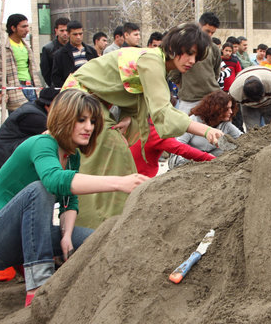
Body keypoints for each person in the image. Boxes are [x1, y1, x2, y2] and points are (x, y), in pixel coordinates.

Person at [0, 90, 149, 307]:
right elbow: (55, 180)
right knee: (38, 189)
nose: (89, 127)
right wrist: (119, 183)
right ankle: (38, 289)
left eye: (92, 121)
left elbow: (69, 201)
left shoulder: (71, 156)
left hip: (24, 240)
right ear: (63, 117)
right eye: (81, 120)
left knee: (90, 238)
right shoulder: (42, 144)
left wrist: (67, 235)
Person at [62, 22, 224, 228]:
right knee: (108, 152)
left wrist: (129, 116)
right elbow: (163, 111)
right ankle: (92, 227)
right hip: (78, 100)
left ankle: (111, 220)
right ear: (174, 48)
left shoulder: (156, 62)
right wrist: (204, 129)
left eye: (196, 57)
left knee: (118, 156)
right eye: (189, 54)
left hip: (94, 104)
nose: (192, 61)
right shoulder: (152, 60)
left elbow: (132, 93)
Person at [0, 87, 60, 176]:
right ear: (48, 106)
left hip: (6, 158)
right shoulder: (35, 117)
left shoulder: (34, 109)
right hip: (4, 161)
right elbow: (58, 135)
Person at [168, 90, 242, 168]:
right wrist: (201, 156)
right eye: (227, 109)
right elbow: (179, 146)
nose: (230, 112)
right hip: (185, 159)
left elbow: (243, 139)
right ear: (216, 110)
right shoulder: (194, 121)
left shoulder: (225, 125)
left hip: (208, 160)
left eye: (231, 108)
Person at [167, 12, 222, 114]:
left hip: (212, 98)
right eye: (207, 31)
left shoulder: (214, 48)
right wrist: (186, 88)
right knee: (187, 128)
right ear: (199, 26)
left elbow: (216, 73)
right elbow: (174, 74)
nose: (209, 35)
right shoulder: (184, 45)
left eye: (212, 33)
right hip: (189, 100)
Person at [0, 13, 42, 111]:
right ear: (13, 28)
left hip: (31, 87)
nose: (27, 30)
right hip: (16, 90)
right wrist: (5, 90)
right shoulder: (2, 47)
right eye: (23, 26)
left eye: (28, 26)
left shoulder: (26, 46)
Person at [130, 118, 215, 178]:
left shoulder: (134, 121)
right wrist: (212, 159)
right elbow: (182, 149)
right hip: (139, 178)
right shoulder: (155, 132)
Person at [228, 66, 271, 131]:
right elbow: (231, 106)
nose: (259, 102)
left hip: (270, 103)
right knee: (252, 131)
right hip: (249, 107)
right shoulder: (235, 92)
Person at [50, 20, 98, 88]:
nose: (78, 37)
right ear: (69, 34)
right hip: (72, 92)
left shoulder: (91, 52)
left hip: (91, 90)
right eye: (75, 34)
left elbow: (97, 72)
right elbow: (56, 78)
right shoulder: (60, 54)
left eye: (80, 34)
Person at [40, 17, 70, 85]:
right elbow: (46, 72)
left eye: (67, 30)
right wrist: (53, 85)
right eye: (62, 30)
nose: (65, 33)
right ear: (56, 31)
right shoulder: (48, 49)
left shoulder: (75, 47)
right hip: (56, 87)